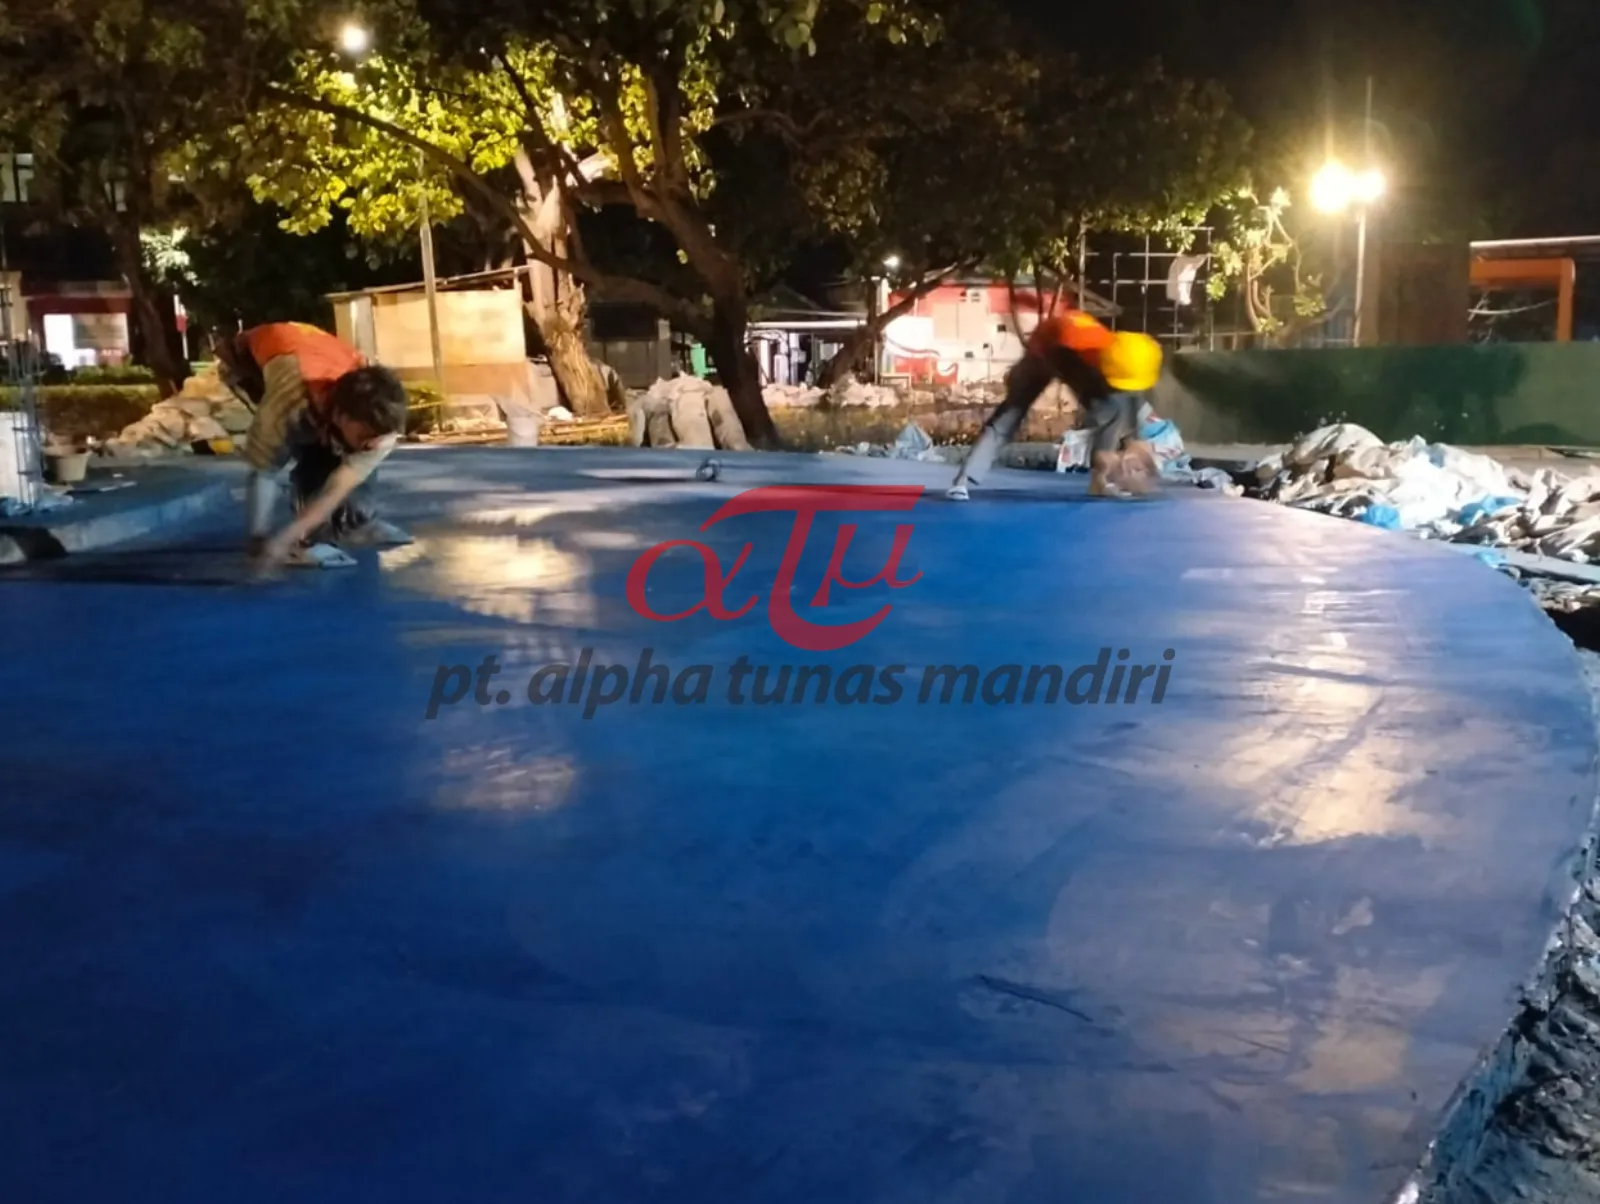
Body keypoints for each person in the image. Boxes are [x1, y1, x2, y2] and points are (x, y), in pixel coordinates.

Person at [216, 322, 412, 569]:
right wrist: (262, 543)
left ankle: (357, 523)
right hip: (252, 364)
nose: (371, 444)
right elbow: (263, 470)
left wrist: (286, 536)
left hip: (315, 360)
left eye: (378, 437)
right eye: (365, 434)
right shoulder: (289, 400)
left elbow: (340, 486)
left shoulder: (382, 422)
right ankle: (309, 539)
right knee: (314, 449)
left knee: (353, 454)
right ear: (340, 415)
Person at [947, 309, 1164, 500]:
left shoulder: (1127, 355)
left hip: (1080, 357)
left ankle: (1101, 481)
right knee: (1011, 413)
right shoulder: (1072, 346)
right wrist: (1109, 454)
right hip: (1043, 354)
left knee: (1116, 409)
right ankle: (964, 479)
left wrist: (1135, 443)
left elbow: (1127, 398)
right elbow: (1100, 401)